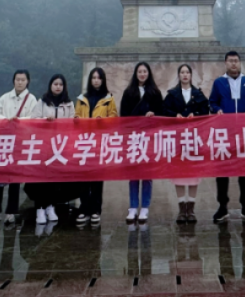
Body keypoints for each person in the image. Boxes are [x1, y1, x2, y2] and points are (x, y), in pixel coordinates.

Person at [209, 51, 245, 223]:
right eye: (230, 61)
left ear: (240, 63)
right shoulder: (219, 83)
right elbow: (212, 102)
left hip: (244, 133)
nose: (233, 64)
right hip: (225, 133)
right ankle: (222, 206)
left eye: (236, 61)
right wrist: (217, 110)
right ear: (225, 63)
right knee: (222, 171)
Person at [26, 74, 83, 224]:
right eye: (55, 84)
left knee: (53, 179)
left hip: (59, 146)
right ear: (50, 85)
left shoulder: (69, 104)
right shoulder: (42, 102)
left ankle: (50, 206)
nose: (58, 86)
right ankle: (40, 208)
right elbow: (33, 120)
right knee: (40, 178)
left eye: (60, 84)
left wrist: (75, 121)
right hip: (44, 145)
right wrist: (45, 120)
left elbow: (72, 124)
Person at [0, 69, 38, 225]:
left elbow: (35, 119)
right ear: (13, 81)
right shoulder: (4, 98)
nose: (20, 82)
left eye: (23, 79)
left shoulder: (32, 99)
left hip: (20, 143)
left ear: (28, 81)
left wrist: (20, 121)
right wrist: (7, 120)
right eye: (17, 79)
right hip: (4, 143)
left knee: (14, 179)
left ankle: (11, 211)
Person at [162, 63, 210, 223]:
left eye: (187, 72)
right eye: (182, 72)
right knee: (179, 173)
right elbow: (164, 110)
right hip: (178, 139)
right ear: (179, 75)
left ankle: (191, 208)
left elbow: (205, 110)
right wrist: (175, 115)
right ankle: (182, 208)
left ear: (190, 75)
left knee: (194, 173)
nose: (184, 75)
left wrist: (194, 115)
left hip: (194, 138)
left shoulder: (198, 94)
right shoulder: (172, 94)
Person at [120, 61, 163, 224]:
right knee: (133, 173)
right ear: (135, 74)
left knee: (147, 173)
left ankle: (145, 206)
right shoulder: (128, 92)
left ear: (148, 73)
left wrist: (154, 114)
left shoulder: (155, 93)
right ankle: (132, 206)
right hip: (133, 137)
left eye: (145, 71)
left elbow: (162, 112)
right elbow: (123, 115)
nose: (142, 74)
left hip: (149, 137)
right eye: (140, 71)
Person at [75, 67, 117, 225]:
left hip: (99, 143)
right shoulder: (82, 99)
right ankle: (84, 208)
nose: (96, 80)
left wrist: (104, 121)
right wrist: (77, 119)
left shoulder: (108, 98)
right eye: (93, 77)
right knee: (83, 178)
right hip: (84, 142)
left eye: (99, 77)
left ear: (103, 80)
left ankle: (95, 210)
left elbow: (114, 118)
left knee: (97, 179)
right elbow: (76, 116)